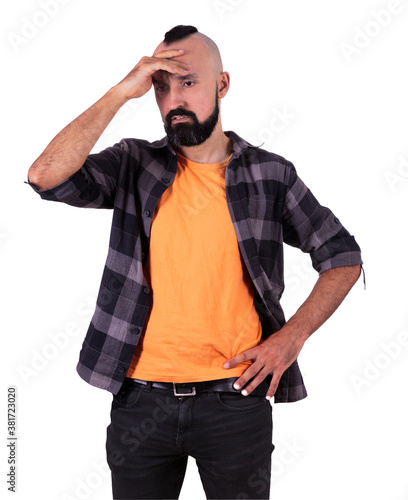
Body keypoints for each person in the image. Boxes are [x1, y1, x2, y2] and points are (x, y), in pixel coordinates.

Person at [27, 25, 363, 500]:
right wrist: (122, 91)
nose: (173, 100)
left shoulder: (270, 174)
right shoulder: (133, 164)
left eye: (188, 82)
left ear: (222, 84)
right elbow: (45, 176)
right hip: (139, 402)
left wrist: (291, 339)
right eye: (161, 87)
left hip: (235, 402)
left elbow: (343, 255)